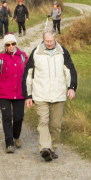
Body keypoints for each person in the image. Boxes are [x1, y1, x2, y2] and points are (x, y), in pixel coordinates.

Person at [22, 28, 77, 161]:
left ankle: (53, 149)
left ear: (55, 38)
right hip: (40, 94)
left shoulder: (62, 52)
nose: (49, 44)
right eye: (46, 41)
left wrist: (71, 87)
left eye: (51, 41)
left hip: (58, 95)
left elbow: (70, 71)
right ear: (43, 40)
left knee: (55, 125)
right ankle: (45, 148)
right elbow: (28, 74)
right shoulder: (36, 53)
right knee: (43, 122)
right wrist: (28, 96)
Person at [0, 33, 28, 153]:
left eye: (13, 43)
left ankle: (16, 136)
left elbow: (29, 74)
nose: (11, 46)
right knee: (6, 117)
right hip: (4, 93)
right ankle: (9, 142)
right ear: (5, 46)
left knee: (18, 118)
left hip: (20, 93)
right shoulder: (1, 58)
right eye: (8, 44)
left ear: (16, 44)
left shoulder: (23, 56)